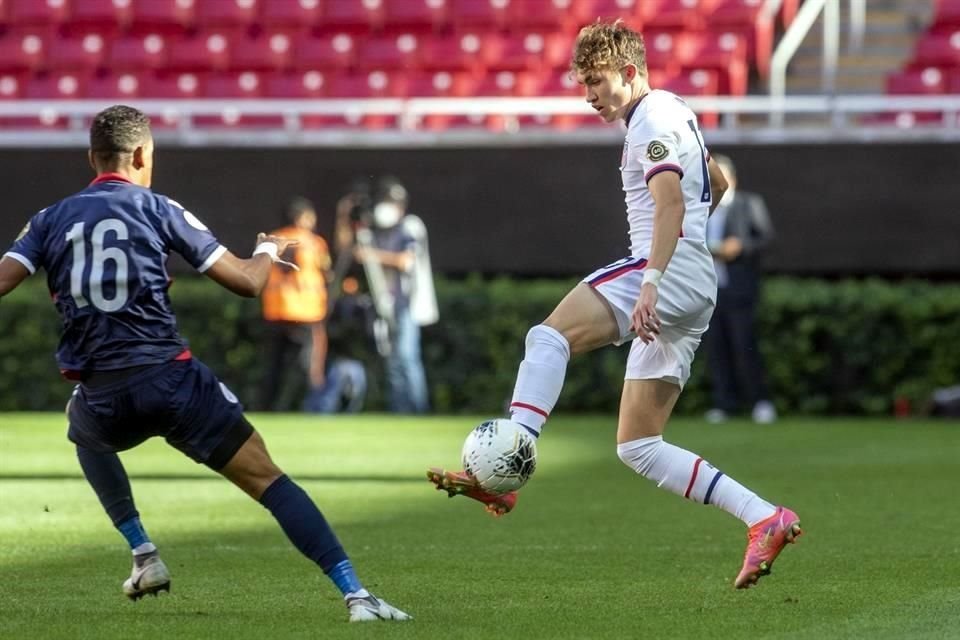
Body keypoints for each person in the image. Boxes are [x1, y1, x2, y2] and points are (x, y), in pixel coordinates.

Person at [426, 21, 802, 590]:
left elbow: (670, 201)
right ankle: (765, 517)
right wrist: (685, 244)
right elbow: (716, 182)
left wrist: (651, 280)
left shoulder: (649, 117)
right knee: (639, 447)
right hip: (696, 284)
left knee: (548, 337)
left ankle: (511, 456)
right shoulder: (677, 110)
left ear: (629, 72)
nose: (588, 95)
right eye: (583, 83)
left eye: (597, 81)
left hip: (668, 272)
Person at [0, 105, 409, 622]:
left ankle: (143, 552)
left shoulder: (48, 219)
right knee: (269, 480)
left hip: (103, 394)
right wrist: (265, 249)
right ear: (144, 153)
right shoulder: (159, 208)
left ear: (91, 158)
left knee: (80, 426)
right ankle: (356, 595)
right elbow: (247, 283)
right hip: (172, 382)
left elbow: (3, 279)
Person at [334, 176, 437, 414]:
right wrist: (344, 216)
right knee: (392, 362)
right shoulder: (377, 229)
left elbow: (405, 261)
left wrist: (371, 254)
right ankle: (399, 410)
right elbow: (345, 249)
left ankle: (417, 410)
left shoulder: (410, 225)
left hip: (407, 303)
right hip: (385, 303)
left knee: (406, 358)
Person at [703, 155, 777, 424]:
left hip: (740, 289)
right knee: (717, 349)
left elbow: (766, 238)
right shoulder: (702, 207)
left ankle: (760, 401)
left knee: (744, 346)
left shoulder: (749, 203)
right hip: (710, 290)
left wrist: (740, 247)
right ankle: (725, 403)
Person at [258, 196, 332, 412]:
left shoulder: (273, 239)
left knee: (274, 365)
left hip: (277, 310)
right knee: (310, 365)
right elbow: (326, 270)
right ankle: (312, 406)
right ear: (304, 217)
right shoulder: (315, 243)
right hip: (306, 313)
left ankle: (268, 406)